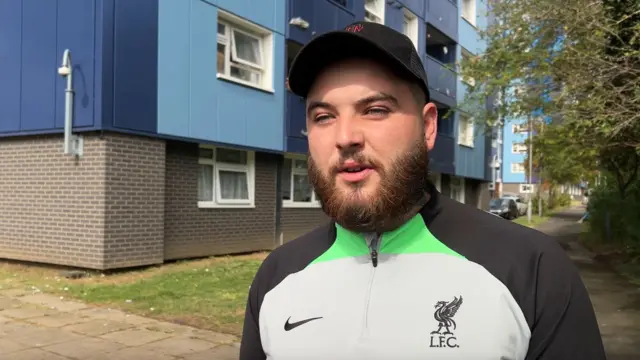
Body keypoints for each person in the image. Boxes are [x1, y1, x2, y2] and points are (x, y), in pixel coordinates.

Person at [239, 21, 606, 360]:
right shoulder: (277, 276)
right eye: (323, 117)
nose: (345, 137)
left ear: (428, 127)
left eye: (376, 110)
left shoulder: (530, 268)